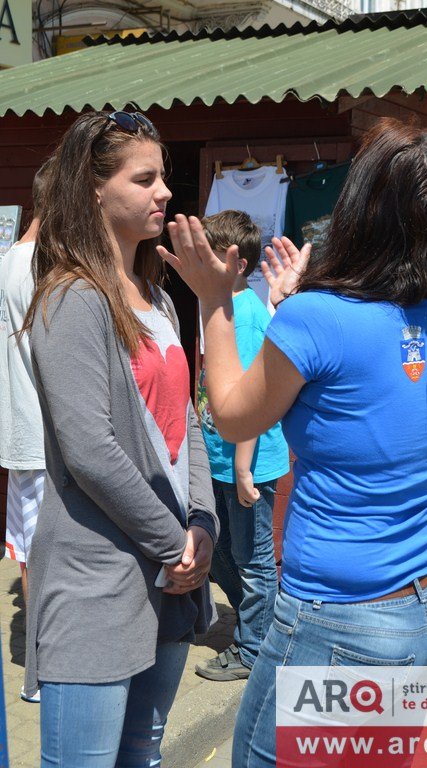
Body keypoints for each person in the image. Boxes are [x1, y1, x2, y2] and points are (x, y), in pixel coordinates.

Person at [158, 117, 427, 767]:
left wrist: (216, 301)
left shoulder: (320, 318)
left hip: (341, 625)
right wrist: (293, 311)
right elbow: (351, 389)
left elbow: (233, 418)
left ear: (360, 206)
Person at [20, 110, 218, 768]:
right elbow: (90, 451)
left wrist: (203, 525)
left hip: (169, 578)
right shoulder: (71, 298)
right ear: (95, 189)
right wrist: (175, 544)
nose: (165, 191)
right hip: (97, 584)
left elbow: (187, 421)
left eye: (163, 177)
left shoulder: (159, 301)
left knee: (143, 756)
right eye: (145, 178)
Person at [195, 211, 289, 681]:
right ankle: (261, 626)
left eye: (209, 254)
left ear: (237, 263)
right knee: (223, 553)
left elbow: (251, 399)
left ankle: (256, 648)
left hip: (245, 465)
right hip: (222, 459)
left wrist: (244, 469)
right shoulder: (219, 306)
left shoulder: (245, 316)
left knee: (252, 560)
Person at [0, 159, 53, 704]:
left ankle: (38, 664)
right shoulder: (42, 267)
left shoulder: (7, 260)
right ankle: (40, 671)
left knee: (27, 551)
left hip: (20, 434)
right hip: (41, 436)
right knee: (43, 555)